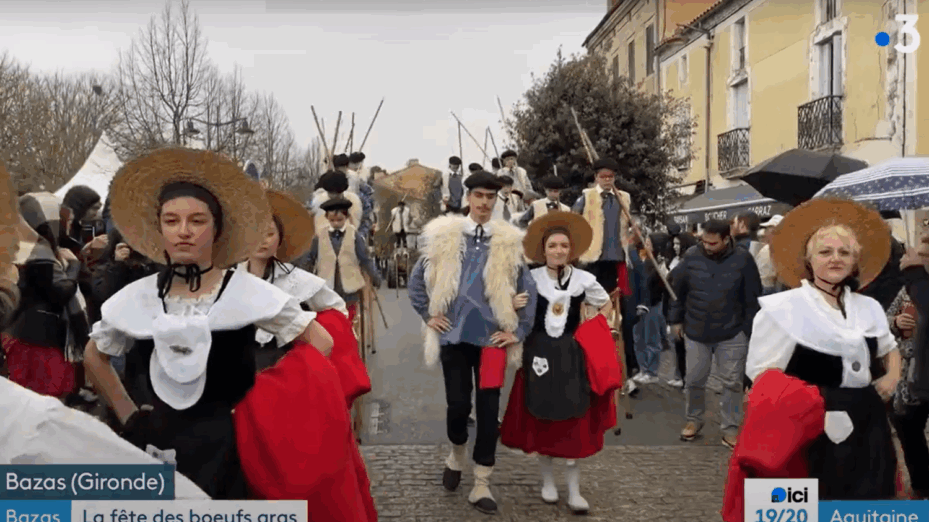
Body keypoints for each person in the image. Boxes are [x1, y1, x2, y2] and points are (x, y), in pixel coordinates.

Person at [81, 147, 339, 500]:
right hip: (155, 454)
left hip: (231, 458)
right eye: (171, 221)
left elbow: (320, 342)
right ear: (159, 229)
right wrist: (129, 417)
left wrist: (264, 405)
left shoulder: (247, 292)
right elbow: (95, 356)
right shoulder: (137, 298)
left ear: (216, 229)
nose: (183, 231)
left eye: (197, 221)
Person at [741, 198, 901, 500]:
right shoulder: (782, 309)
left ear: (856, 261)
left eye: (844, 253)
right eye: (825, 252)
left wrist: (892, 376)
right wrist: (815, 411)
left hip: (868, 425)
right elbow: (762, 381)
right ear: (808, 260)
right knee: (813, 504)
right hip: (807, 432)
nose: (835, 259)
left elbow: (889, 348)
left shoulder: (869, 307)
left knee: (869, 502)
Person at [407, 170, 537, 515]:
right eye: (478, 196)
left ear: (496, 201)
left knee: (489, 410)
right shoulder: (445, 236)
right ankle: (457, 453)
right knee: (458, 407)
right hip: (454, 335)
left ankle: (482, 482)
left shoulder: (508, 241)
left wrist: (518, 331)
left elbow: (529, 289)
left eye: (490, 198)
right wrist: (427, 315)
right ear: (468, 198)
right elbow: (417, 280)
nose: (484, 203)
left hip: (492, 340)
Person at [499, 211, 619, 515]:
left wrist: (596, 329)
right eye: (553, 246)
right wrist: (511, 306)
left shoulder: (584, 279)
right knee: (542, 415)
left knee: (573, 417)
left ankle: (575, 490)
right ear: (544, 249)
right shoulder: (529, 277)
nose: (558, 251)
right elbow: (507, 309)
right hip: (537, 352)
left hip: (571, 353)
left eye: (564, 246)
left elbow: (606, 304)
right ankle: (548, 482)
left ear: (571, 249)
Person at [669, 218, 762, 447]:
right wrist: (675, 320)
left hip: (732, 331)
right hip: (696, 328)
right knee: (694, 379)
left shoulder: (743, 259)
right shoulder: (691, 255)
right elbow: (677, 291)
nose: (707, 247)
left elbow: (753, 298)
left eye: (712, 243)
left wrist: (750, 332)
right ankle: (694, 419)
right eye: (704, 242)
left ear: (726, 239)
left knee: (731, 382)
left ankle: (730, 427)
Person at [239, 189, 350, 372]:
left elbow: (337, 310)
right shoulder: (229, 279)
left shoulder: (298, 280)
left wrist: (308, 342)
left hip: (284, 367)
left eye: (269, 234)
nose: (262, 241)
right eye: (254, 233)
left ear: (279, 238)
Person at [4, 192, 89, 400]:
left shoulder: (25, 248)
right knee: (40, 402)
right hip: (38, 343)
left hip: (25, 335)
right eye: (62, 219)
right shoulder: (39, 253)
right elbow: (59, 294)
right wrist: (74, 266)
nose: (66, 224)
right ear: (47, 220)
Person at [572, 158, 637, 378]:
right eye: (603, 177)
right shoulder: (587, 196)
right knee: (589, 306)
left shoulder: (623, 197)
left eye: (611, 177)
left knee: (614, 308)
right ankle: (585, 353)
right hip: (591, 259)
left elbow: (629, 225)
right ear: (596, 178)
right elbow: (574, 221)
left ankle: (616, 360)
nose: (607, 180)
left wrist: (634, 229)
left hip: (615, 258)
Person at [887, 234, 929, 499]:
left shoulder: (918, 283)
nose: (920, 254)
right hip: (912, 372)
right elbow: (888, 315)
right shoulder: (909, 287)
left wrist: (914, 273)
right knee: (905, 423)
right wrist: (896, 321)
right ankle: (923, 484)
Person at [304, 197, 381, 327]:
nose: (336, 223)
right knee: (331, 321)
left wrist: (375, 276)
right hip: (327, 287)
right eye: (332, 220)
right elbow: (310, 259)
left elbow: (365, 259)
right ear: (327, 218)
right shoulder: (319, 236)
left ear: (346, 217)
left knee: (348, 320)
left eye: (339, 220)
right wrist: (305, 280)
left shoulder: (354, 235)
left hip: (349, 288)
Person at [310, 171, 364, 235]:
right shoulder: (319, 202)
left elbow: (355, 226)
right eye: (331, 193)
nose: (334, 196)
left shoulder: (353, 202)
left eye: (338, 193)